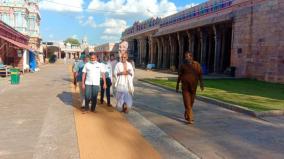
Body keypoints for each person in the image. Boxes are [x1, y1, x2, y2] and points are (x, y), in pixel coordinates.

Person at [176, 51, 204, 124]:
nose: (186, 58)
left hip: (193, 87)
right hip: (185, 87)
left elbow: (200, 75)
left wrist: (201, 84)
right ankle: (190, 118)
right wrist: (177, 85)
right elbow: (180, 75)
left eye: (187, 56)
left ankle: (187, 113)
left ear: (191, 57)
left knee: (191, 102)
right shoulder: (183, 65)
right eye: (185, 56)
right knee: (187, 102)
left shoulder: (197, 65)